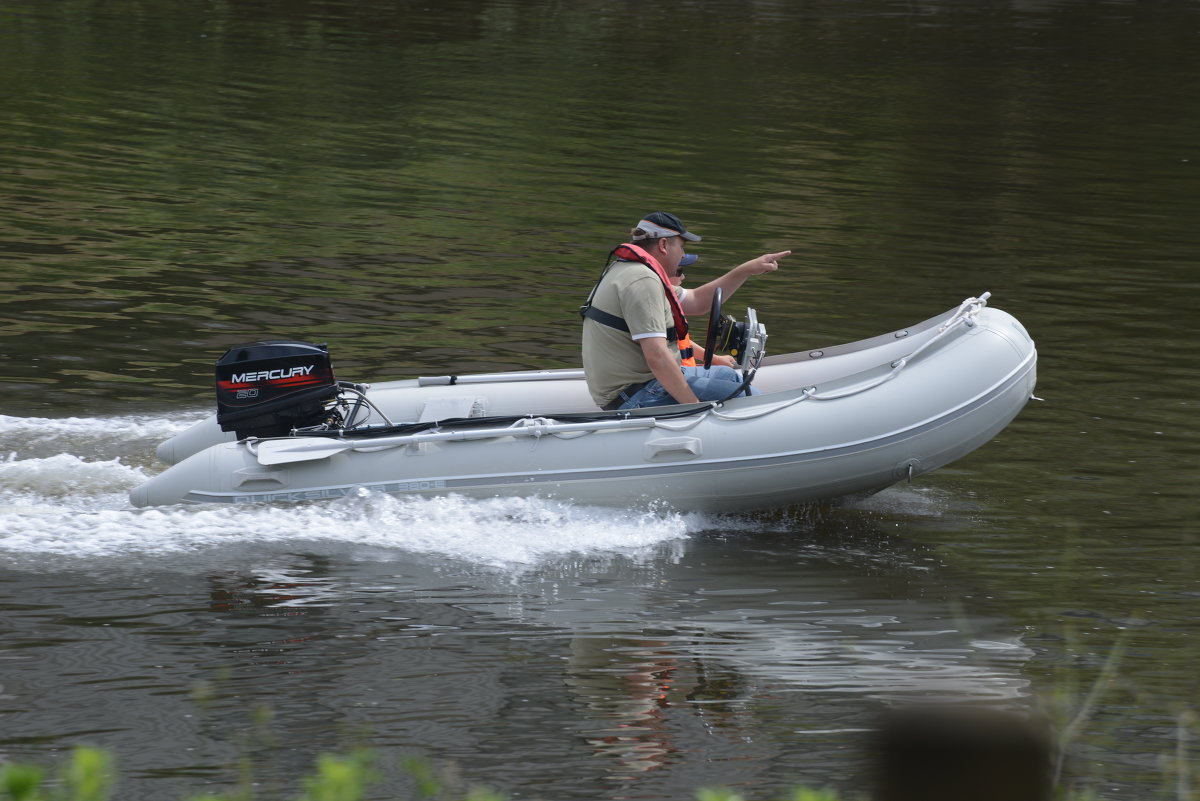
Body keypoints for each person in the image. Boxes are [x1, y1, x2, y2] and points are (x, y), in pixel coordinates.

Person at [580, 211, 790, 410]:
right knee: (748, 395)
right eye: (681, 246)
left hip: (640, 384)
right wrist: (694, 407)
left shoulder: (629, 270)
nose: (682, 255)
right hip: (636, 394)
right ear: (663, 244)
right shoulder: (642, 280)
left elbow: (698, 301)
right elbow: (657, 357)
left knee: (732, 377)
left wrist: (746, 270)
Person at [670, 254, 736, 369]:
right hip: (679, 376)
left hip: (686, 370)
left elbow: (680, 341)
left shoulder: (668, 303)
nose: (683, 277)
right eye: (679, 271)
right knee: (730, 376)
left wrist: (715, 359)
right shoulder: (659, 306)